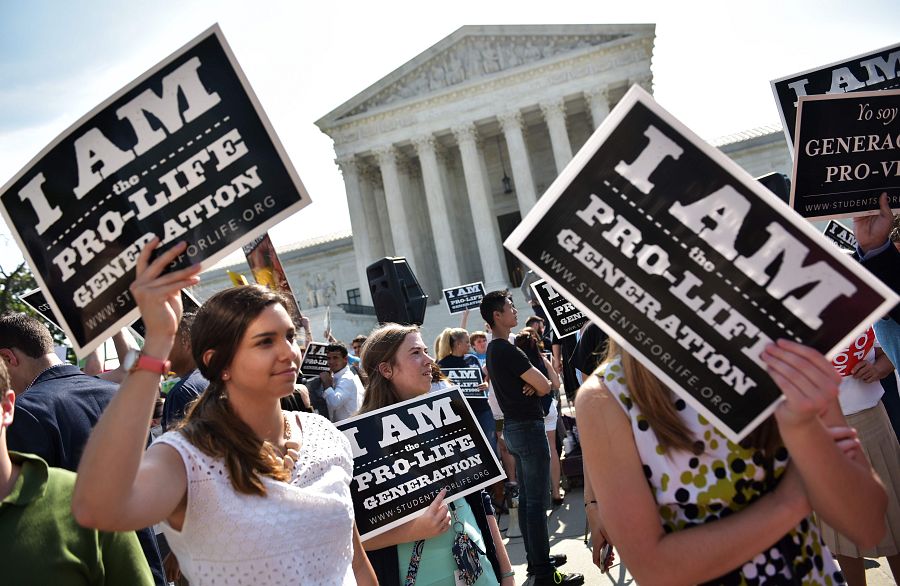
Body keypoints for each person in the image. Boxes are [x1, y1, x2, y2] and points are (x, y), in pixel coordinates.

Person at [71, 239, 376, 586]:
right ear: (218, 362)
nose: (288, 352)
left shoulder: (324, 434)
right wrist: (157, 342)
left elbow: (355, 563)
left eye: (289, 336)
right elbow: (95, 507)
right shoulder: (188, 458)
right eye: (265, 341)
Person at [576, 336, 887, 584]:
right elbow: (656, 570)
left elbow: (868, 526)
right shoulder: (607, 396)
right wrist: (790, 501)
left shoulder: (783, 354)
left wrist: (804, 429)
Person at [0, 312, 166, 585]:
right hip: (145, 562)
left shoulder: (27, 411)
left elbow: (33, 512)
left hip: (82, 569)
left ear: (8, 359)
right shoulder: (116, 393)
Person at [356, 323, 515, 586]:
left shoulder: (449, 411)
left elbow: (479, 497)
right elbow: (356, 537)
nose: (429, 360)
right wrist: (414, 530)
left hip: (479, 568)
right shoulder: (358, 439)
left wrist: (506, 572)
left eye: (427, 350)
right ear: (386, 369)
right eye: (416, 353)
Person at [479, 290, 584, 586]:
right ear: (497, 316)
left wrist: (534, 385)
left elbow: (541, 385)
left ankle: (539, 559)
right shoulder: (506, 349)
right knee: (536, 503)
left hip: (516, 428)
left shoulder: (496, 349)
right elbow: (546, 384)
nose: (515, 311)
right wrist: (535, 385)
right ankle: (543, 571)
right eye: (510, 307)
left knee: (528, 500)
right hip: (526, 427)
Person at [819, 326, 900, 586]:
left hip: (869, 415)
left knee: (894, 516)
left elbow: (888, 342)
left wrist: (882, 366)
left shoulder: (861, 300)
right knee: (839, 527)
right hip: (819, 428)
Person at [514, 328, 564, 506]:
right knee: (552, 449)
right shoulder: (542, 359)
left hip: (529, 412)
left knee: (533, 455)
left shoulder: (517, 364)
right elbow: (557, 384)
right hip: (548, 407)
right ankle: (556, 492)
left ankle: (540, 495)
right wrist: (544, 385)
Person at [435, 328, 494, 454]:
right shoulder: (442, 364)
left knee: (490, 447)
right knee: (471, 451)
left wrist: (485, 384)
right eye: (467, 342)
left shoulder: (473, 359)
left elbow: (483, 380)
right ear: (458, 344)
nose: (469, 345)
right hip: (460, 414)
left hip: (482, 410)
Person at [161, 311, 209, 432]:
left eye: (168, 338)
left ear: (186, 341)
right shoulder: (214, 378)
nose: (161, 346)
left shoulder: (182, 391)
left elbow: (175, 449)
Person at [320, 343, 365, 422]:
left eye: (335, 358)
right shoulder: (340, 375)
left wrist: (326, 383)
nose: (331, 361)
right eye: (329, 358)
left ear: (345, 359)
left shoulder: (346, 378)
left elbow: (334, 403)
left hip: (350, 428)